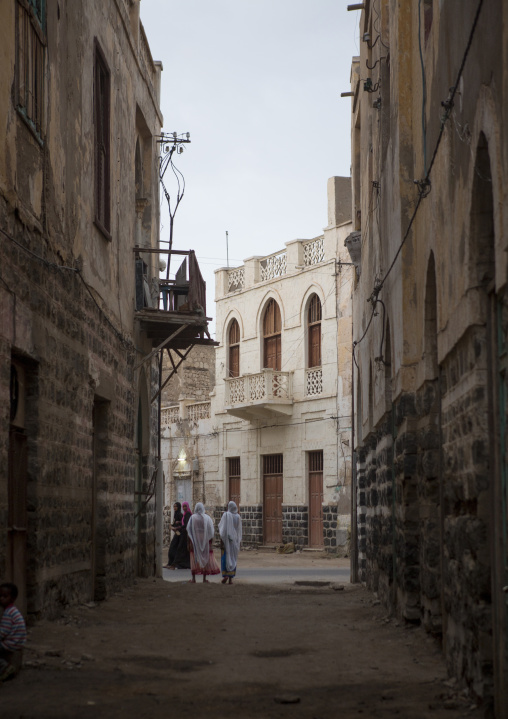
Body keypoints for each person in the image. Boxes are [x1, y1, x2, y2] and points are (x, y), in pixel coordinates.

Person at [186, 502, 220, 583]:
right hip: (205, 540)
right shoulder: (207, 518)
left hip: (194, 540)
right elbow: (211, 531)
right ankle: (204, 578)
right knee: (205, 557)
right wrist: (210, 541)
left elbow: (189, 531)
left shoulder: (192, 518)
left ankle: (193, 578)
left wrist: (189, 542)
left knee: (194, 558)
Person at [0, 582, 26, 682]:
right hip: (16, 642)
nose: (1, 598)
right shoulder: (13, 610)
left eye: (5, 596)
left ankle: (5, 667)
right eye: (0, 596)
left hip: (10, 644)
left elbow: (2, 633)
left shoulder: (8, 613)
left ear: (12, 598)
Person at [219, 501, 242, 585]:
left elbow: (222, 529)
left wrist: (221, 541)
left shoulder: (226, 515)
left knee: (225, 557)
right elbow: (239, 530)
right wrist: (239, 541)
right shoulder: (238, 517)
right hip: (234, 541)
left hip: (226, 541)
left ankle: (225, 575)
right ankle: (230, 579)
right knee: (233, 557)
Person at [168, 501, 192, 570]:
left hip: (184, 534)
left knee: (179, 549)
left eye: (185, 506)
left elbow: (186, 524)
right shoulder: (184, 514)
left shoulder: (187, 514)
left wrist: (178, 527)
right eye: (183, 506)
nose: (184, 508)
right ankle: (176, 564)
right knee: (182, 550)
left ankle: (174, 564)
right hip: (182, 534)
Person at [163, 502, 183, 569]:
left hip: (179, 535)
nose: (174, 508)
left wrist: (176, 527)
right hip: (176, 534)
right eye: (174, 506)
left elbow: (182, 525)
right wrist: (171, 526)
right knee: (173, 549)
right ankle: (171, 563)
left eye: (176, 506)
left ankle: (172, 564)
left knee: (172, 548)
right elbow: (175, 523)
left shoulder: (180, 515)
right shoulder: (176, 514)